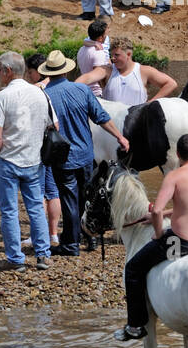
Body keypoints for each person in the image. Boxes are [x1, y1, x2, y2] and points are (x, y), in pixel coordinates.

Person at [114, 133, 188, 341]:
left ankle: (135, 326)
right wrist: (166, 214)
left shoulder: (174, 176)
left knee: (133, 269)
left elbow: (156, 211)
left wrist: (158, 232)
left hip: (182, 244)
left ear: (177, 154)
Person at [41, 50, 127, 256]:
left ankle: (70, 244)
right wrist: (120, 137)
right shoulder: (82, 90)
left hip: (63, 157)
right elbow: (101, 117)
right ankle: (91, 238)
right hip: (87, 154)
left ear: (48, 73)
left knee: (70, 199)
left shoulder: (44, 95)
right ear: (66, 71)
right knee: (87, 197)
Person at [0, 51, 55, 272]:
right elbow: (54, 126)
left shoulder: (1, 97)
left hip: (8, 160)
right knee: (35, 207)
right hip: (34, 160)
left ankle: (16, 259)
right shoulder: (40, 94)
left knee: (9, 211)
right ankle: (43, 255)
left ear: (8, 71)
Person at [75, 17, 111, 96]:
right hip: (97, 94)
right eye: (105, 34)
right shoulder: (99, 52)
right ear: (100, 38)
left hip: (85, 91)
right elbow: (100, 77)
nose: (107, 34)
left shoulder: (81, 49)